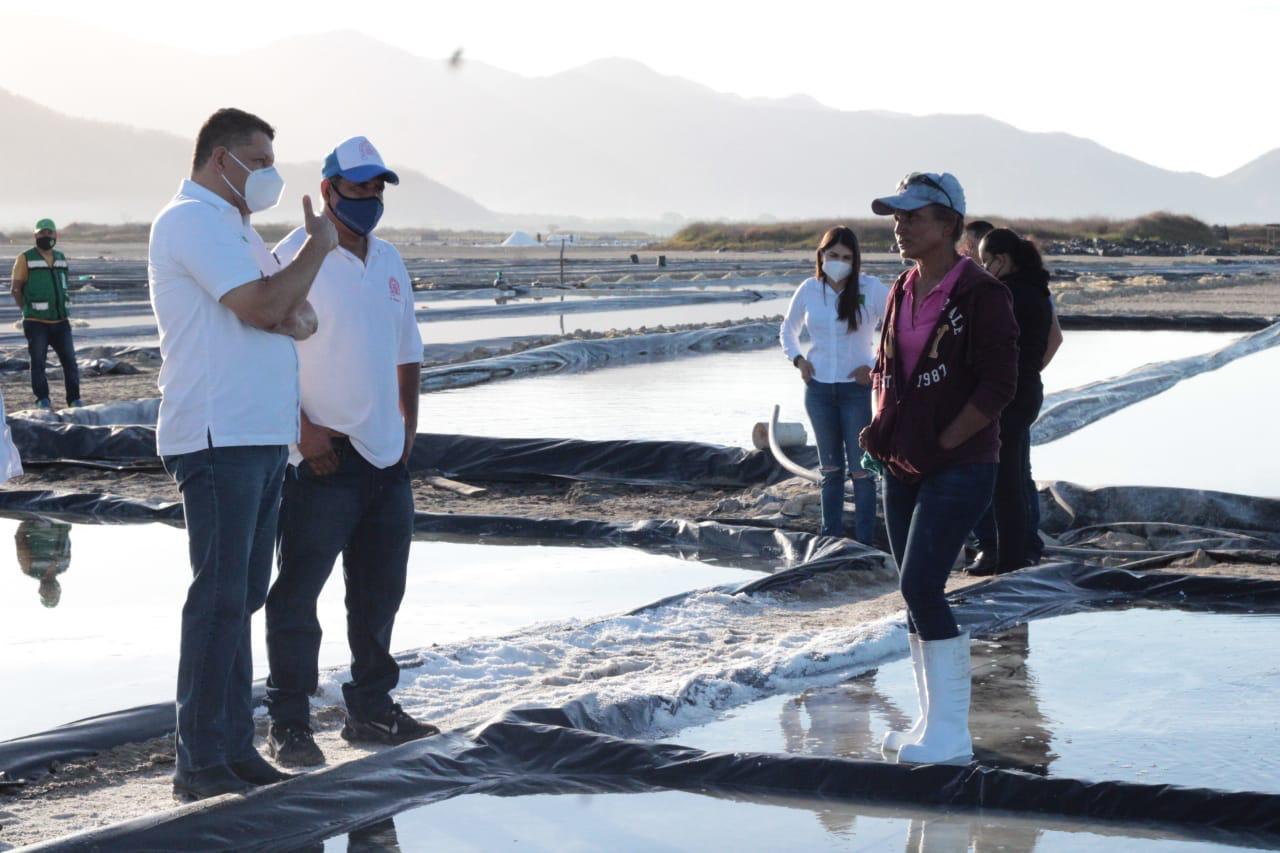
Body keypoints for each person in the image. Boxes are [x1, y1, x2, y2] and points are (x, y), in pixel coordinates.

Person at [148, 107, 334, 802]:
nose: (268, 176)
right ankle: (198, 760)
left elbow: (300, 316)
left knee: (243, 596)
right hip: (217, 434)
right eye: (259, 163)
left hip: (259, 435)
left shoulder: (238, 230)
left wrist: (281, 300)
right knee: (220, 597)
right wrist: (316, 250)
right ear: (220, 158)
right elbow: (265, 309)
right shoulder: (191, 221)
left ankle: (232, 746)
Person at [264, 136, 437, 767]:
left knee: (378, 593)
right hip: (322, 460)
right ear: (328, 189)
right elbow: (265, 351)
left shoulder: (388, 260)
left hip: (386, 459)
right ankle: (289, 722)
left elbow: (407, 349)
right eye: (357, 187)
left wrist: (408, 426)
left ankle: (371, 708)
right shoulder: (293, 257)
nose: (369, 197)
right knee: (297, 594)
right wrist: (301, 431)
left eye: (376, 188)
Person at [859, 172, 1018, 765]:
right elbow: (887, 371)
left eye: (913, 217)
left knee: (921, 585)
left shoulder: (981, 294)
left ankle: (951, 735)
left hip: (960, 462)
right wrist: (882, 433)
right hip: (902, 461)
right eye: (897, 217)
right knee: (912, 589)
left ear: (949, 224)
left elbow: (999, 385)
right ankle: (929, 722)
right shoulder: (902, 287)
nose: (900, 227)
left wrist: (943, 441)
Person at [780, 226, 888, 544]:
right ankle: (831, 538)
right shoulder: (809, 289)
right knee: (830, 469)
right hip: (819, 390)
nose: (838, 262)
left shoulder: (871, 289)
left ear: (855, 260)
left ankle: (864, 542)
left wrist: (874, 366)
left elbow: (897, 330)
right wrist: (798, 360)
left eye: (845, 257)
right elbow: (788, 329)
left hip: (856, 390)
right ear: (821, 256)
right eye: (832, 255)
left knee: (861, 469)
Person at [968, 228, 1053, 576]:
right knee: (1013, 478)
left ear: (1002, 260)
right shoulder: (1036, 289)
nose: (984, 269)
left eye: (986, 262)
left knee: (1005, 482)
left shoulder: (1008, 295)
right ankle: (1012, 555)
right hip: (1027, 389)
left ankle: (1009, 560)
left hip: (1009, 394)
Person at [10, 219, 82, 409]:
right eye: (42, 233)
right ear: (35, 236)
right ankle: (43, 400)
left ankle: (74, 400)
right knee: (38, 362)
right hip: (36, 323)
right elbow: (15, 289)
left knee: (70, 362)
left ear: (56, 235)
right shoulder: (25, 258)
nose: (46, 236)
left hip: (61, 321)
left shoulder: (60, 257)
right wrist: (27, 310)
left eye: (49, 233)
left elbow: (64, 284)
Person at [15, 518, 70, 608]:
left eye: (46, 595)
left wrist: (30, 518)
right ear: (59, 591)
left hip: (39, 517)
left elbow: (20, 538)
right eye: (53, 595)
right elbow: (67, 537)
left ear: (40, 591)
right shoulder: (64, 566)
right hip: (62, 518)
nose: (50, 592)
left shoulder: (30, 569)